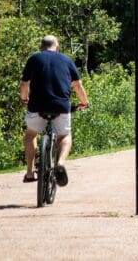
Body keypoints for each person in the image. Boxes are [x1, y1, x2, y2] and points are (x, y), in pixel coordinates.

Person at [20, 35, 89, 185]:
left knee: (31, 134)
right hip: (61, 106)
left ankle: (30, 172)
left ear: (41, 47)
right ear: (57, 46)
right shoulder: (66, 60)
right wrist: (84, 102)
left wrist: (24, 99)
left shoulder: (34, 59)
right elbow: (77, 85)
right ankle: (61, 163)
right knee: (64, 136)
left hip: (37, 105)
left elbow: (24, 84)